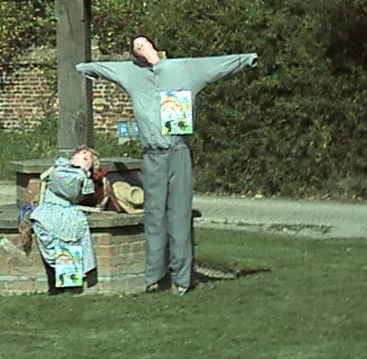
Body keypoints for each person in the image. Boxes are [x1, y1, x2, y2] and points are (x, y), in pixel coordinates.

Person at [77, 37, 257, 294]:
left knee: (180, 215)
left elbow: (217, 65)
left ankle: (181, 279)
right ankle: (153, 275)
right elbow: (104, 69)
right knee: (154, 215)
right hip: (152, 156)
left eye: (143, 43)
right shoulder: (132, 74)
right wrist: (83, 67)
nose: (140, 48)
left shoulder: (183, 70)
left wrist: (246, 60)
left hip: (178, 152)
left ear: (152, 45)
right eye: (136, 46)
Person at [28, 145, 100, 291]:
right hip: (49, 211)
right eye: (82, 153)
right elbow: (64, 186)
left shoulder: (82, 177)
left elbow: (77, 194)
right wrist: (82, 172)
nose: (85, 155)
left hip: (67, 212)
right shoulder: (60, 170)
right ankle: (57, 285)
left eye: (88, 157)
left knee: (70, 228)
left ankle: (69, 283)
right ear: (73, 156)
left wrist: (84, 172)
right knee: (60, 229)